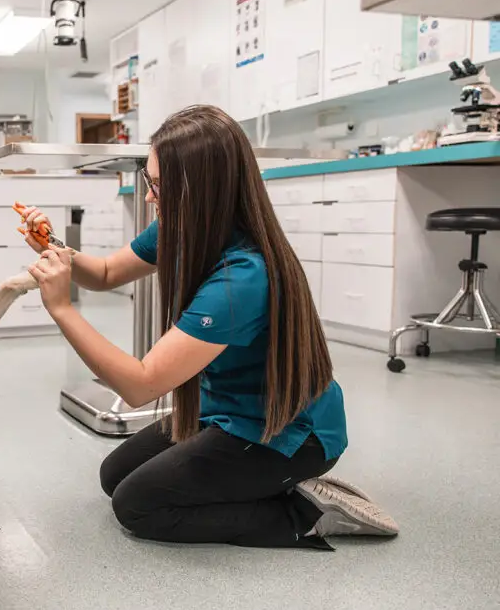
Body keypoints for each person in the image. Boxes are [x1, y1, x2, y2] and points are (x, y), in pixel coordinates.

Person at [21, 104, 398, 549]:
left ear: (198, 189)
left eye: (157, 186)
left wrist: (63, 310)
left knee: (138, 505)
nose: (148, 197)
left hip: (289, 433)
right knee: (114, 475)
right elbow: (104, 273)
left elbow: (141, 386)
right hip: (228, 410)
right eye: (150, 181)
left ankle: (306, 513)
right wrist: (56, 246)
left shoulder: (241, 278)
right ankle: (265, 485)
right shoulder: (182, 227)